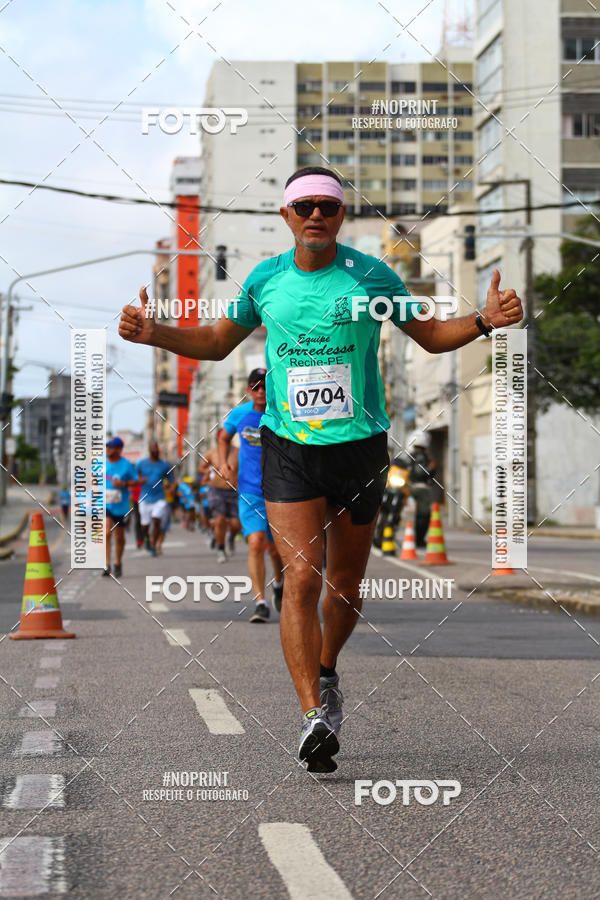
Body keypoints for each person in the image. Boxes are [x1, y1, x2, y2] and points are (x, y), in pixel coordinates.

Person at [119, 165, 523, 773]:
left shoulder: (371, 276)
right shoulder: (265, 280)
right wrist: (156, 334)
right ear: (286, 216)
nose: (315, 215)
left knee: (345, 588)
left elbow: (433, 335)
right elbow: (215, 341)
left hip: (360, 448)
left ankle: (328, 670)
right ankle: (313, 716)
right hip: (290, 449)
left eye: (327, 208)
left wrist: (486, 320)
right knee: (302, 579)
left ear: (339, 216)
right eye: (303, 205)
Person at [220, 368, 285, 623]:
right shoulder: (240, 414)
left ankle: (279, 583)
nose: (260, 391)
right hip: (249, 490)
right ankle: (260, 602)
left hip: (280, 490)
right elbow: (223, 438)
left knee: (277, 551)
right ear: (248, 390)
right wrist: (225, 463)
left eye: (265, 386)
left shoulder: (281, 412)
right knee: (256, 543)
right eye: (255, 386)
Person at [199, 436, 241, 564]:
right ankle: (221, 549)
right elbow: (201, 467)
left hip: (234, 491)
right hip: (217, 490)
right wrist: (208, 471)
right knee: (219, 520)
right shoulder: (211, 453)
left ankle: (231, 538)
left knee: (236, 524)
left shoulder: (238, 451)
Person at [104, 436, 138, 578]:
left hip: (121, 506)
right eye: (107, 447)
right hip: (105, 504)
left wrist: (123, 484)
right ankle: (106, 564)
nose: (108, 449)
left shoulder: (126, 465)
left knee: (119, 537)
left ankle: (117, 562)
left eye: (111, 447)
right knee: (106, 533)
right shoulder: (101, 463)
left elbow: (135, 481)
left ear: (119, 449)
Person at [136, 441, 173, 557]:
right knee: (145, 525)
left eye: (156, 448)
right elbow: (133, 476)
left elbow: (171, 479)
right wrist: (138, 481)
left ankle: (153, 545)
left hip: (159, 497)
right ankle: (146, 538)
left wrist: (168, 485)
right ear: (149, 450)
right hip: (144, 497)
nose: (155, 450)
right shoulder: (141, 464)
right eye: (153, 448)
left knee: (157, 521)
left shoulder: (164, 465)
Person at [405, 429, 436, 547]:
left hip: (408, 486)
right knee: (424, 514)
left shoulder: (410, 455)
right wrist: (431, 468)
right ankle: (419, 540)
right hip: (421, 488)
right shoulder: (421, 456)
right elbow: (420, 471)